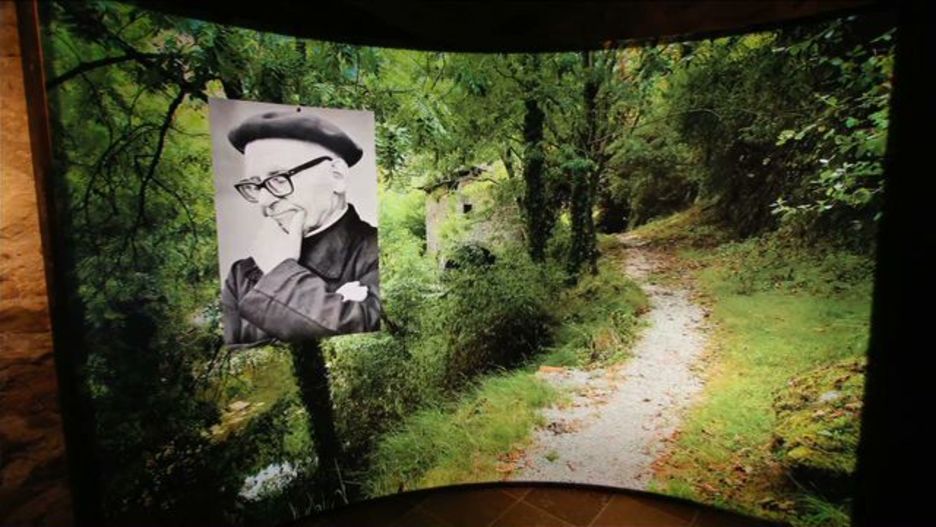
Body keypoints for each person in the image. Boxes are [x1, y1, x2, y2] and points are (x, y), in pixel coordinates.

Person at [220, 109, 380, 347]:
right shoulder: (241, 276)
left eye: (279, 178)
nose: (264, 201)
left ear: (336, 176)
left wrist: (279, 276)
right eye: (255, 185)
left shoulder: (379, 254)